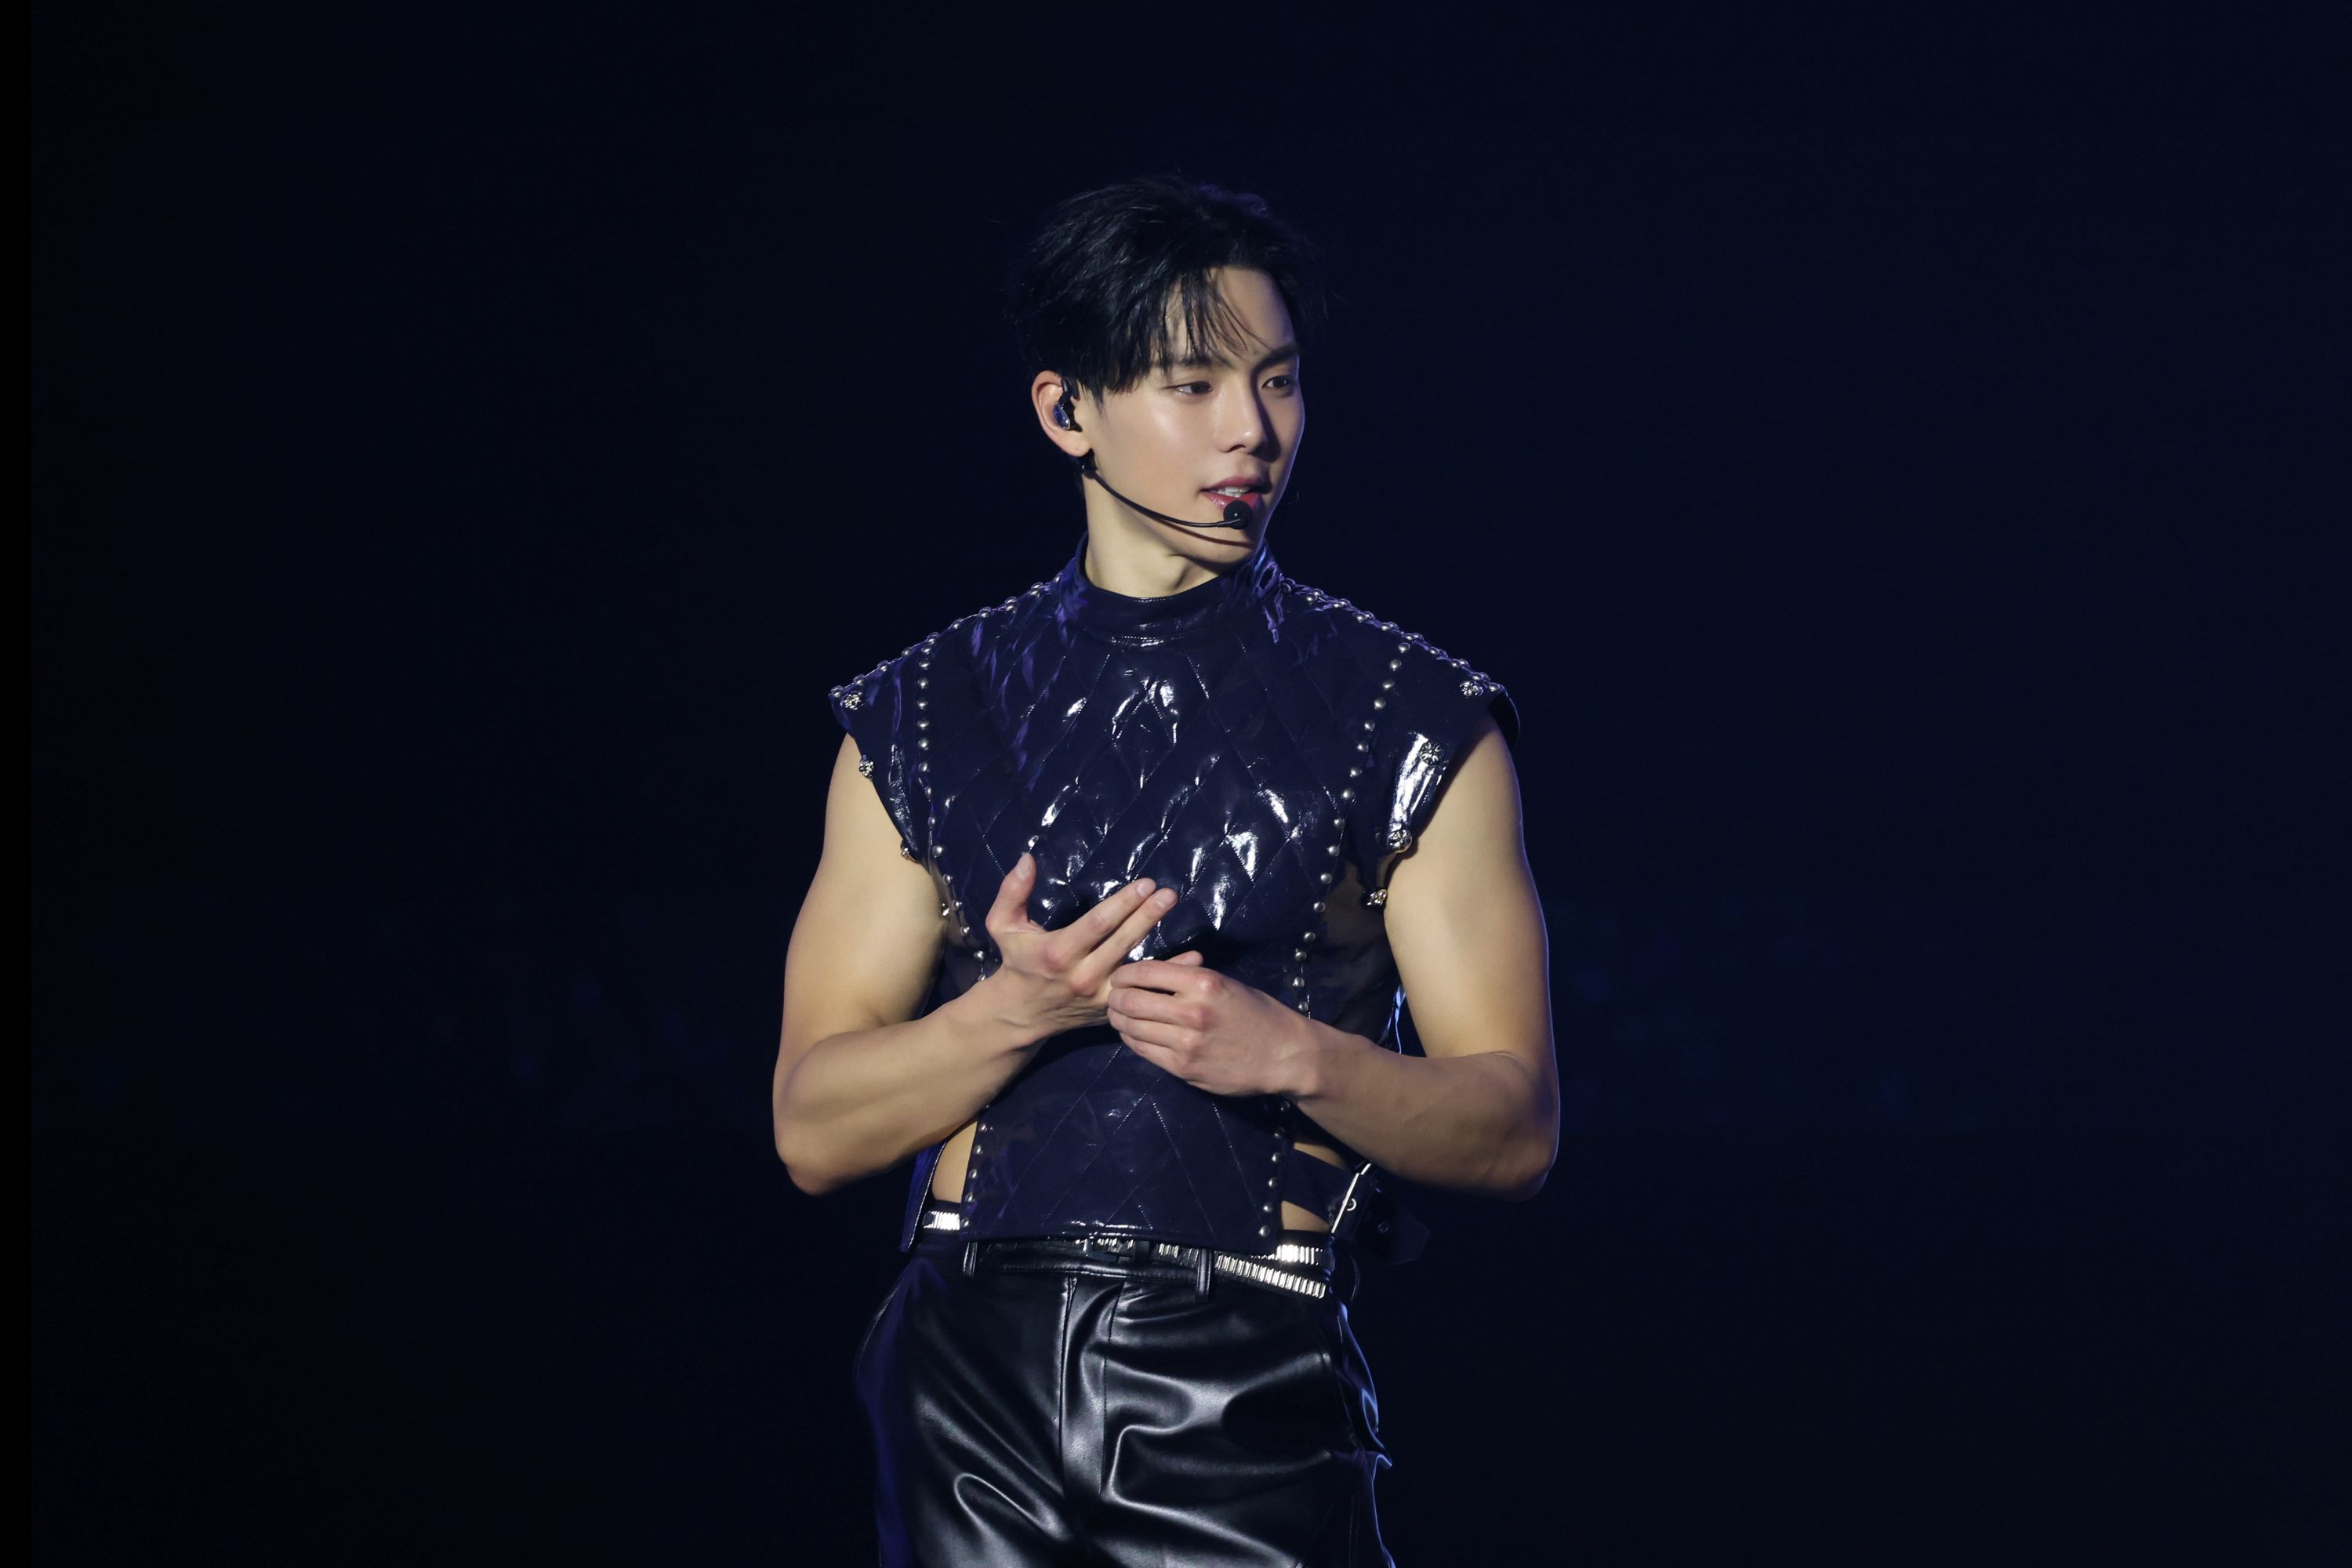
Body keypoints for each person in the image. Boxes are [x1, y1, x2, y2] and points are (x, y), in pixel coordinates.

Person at [771, 173, 1559, 1567]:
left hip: (1244, 1378)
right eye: (1193, 385)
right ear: (1066, 410)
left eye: (1278, 381)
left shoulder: (1411, 716)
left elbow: (1515, 1130)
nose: (1252, 430)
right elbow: (812, 1131)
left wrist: (1292, 1054)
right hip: (969, 1378)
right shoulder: (923, 712)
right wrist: (1013, 1013)